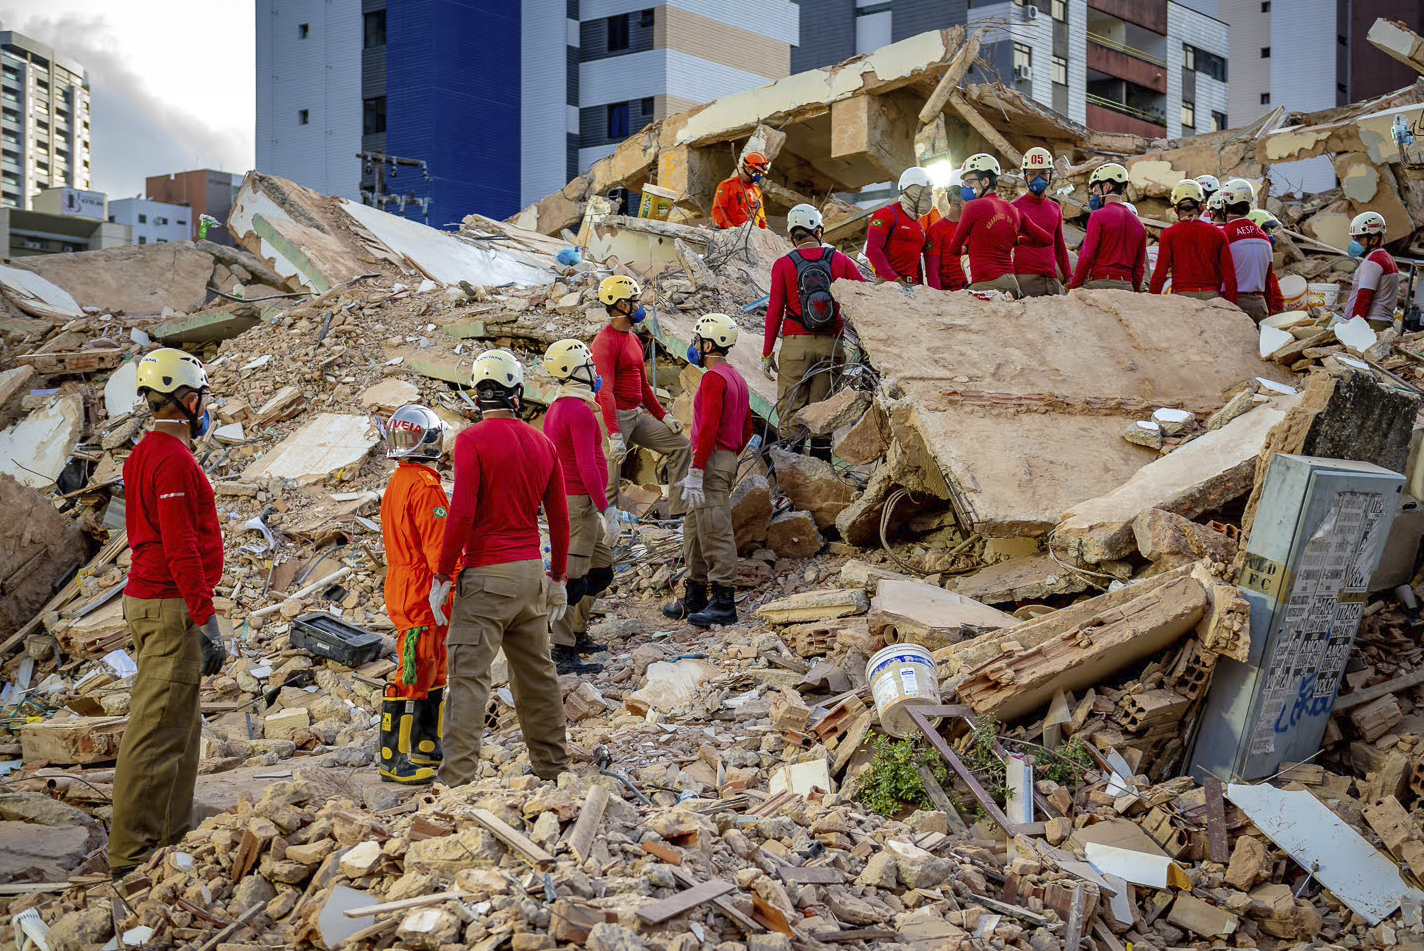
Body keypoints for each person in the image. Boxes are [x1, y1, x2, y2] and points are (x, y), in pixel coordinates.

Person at [109, 348, 226, 877]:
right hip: (168, 604)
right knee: (155, 727)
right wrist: (206, 618)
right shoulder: (172, 459)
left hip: (155, 600)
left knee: (180, 722)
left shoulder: (144, 453)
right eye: (199, 396)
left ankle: (171, 833)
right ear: (183, 398)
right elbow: (180, 545)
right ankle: (130, 856)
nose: (204, 406)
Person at [431, 350, 571, 784]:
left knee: (470, 678)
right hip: (530, 572)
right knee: (537, 676)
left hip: (487, 577)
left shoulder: (471, 440)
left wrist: (441, 574)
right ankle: (553, 768)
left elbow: (462, 514)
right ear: (516, 392)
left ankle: (457, 777)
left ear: (477, 393)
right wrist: (559, 578)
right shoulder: (541, 442)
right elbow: (561, 520)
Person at [377, 405, 451, 785]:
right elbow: (438, 544)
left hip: (408, 580)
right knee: (415, 666)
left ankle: (425, 744)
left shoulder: (400, 480)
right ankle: (394, 757)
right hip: (421, 586)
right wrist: (448, 579)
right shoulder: (424, 485)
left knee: (433, 666)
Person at [663, 314, 753, 627]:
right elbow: (748, 428)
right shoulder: (737, 378)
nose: (694, 346)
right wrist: (730, 455)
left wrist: (700, 467)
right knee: (695, 529)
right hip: (720, 458)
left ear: (709, 344)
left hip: (710, 459)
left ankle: (724, 603)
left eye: (697, 340)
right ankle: (695, 595)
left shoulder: (713, 379)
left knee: (714, 530)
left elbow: (711, 425)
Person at [542, 339, 621, 676]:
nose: (595, 371)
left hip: (575, 501)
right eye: (589, 366)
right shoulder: (577, 411)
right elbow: (588, 466)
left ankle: (575, 632)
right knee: (571, 580)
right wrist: (606, 510)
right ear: (573, 372)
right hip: (579, 503)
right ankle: (561, 649)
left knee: (599, 572)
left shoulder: (560, 407)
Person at [763, 203, 866, 459]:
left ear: (791, 236)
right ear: (819, 230)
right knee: (823, 414)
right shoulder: (840, 260)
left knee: (790, 415)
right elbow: (865, 297)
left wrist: (767, 353)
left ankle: (792, 482)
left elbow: (774, 311)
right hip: (831, 346)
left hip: (795, 345)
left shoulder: (783, 265)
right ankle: (822, 475)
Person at [590, 275, 692, 516]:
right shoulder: (604, 342)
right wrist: (614, 434)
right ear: (622, 305)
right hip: (613, 416)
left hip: (635, 414)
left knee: (681, 446)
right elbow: (605, 391)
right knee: (610, 481)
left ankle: (679, 513)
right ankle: (607, 531)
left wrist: (663, 416)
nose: (639, 306)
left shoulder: (633, 338)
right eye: (634, 301)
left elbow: (643, 385)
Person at [948, 153, 1052, 298]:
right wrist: (1018, 241)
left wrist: (966, 249)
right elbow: (1046, 240)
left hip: (987, 284)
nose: (966, 187)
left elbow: (954, 249)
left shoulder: (972, 207)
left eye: (969, 182)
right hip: (1013, 285)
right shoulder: (1013, 210)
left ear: (985, 181)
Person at [1148, 180, 1237, 303]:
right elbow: (1229, 276)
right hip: (1211, 296)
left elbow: (1160, 274)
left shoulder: (1169, 234)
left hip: (1182, 296)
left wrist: (1151, 302)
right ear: (1201, 207)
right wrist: (1232, 306)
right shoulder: (1218, 234)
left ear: (1175, 209)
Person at [1068, 163, 1147, 291]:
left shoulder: (1098, 216)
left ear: (1107, 186)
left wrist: (1074, 286)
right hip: (1127, 286)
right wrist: (1135, 292)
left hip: (1101, 283)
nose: (1094, 194)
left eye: (1096, 190)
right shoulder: (1139, 225)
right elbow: (1139, 268)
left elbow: (1086, 256)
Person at [1011, 147, 1072, 297]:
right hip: (1024, 280)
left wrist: (1069, 276)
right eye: (1032, 173)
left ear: (1050, 175)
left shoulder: (1055, 208)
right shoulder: (1013, 207)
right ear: (1025, 176)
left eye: (1043, 173)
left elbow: (1060, 247)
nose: (1038, 178)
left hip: (1051, 279)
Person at [1219, 179, 1281, 323]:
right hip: (1260, 305)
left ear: (1225, 205)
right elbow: (1268, 281)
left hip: (1232, 302)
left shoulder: (1225, 234)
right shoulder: (1264, 237)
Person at [865, 167, 931, 285]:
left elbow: (916, 260)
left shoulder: (918, 223)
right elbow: (872, 249)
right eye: (927, 194)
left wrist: (920, 286)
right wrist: (893, 278)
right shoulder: (886, 214)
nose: (930, 199)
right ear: (915, 191)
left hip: (912, 285)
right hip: (888, 284)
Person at [1344, 211, 1400, 325]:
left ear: (1374, 239)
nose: (1355, 243)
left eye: (1359, 239)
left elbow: (1364, 296)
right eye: (1354, 238)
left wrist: (1355, 325)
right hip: (1380, 321)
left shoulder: (1373, 262)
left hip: (1372, 322)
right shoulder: (1385, 257)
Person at [925, 184, 969, 293]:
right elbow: (932, 271)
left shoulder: (974, 226)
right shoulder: (936, 230)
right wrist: (938, 298)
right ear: (954, 202)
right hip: (950, 293)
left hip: (975, 290)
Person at [711, 151, 769, 230]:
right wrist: (732, 229)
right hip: (733, 234)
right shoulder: (726, 185)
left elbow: (761, 218)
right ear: (748, 168)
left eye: (761, 172)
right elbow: (717, 211)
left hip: (753, 235)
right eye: (757, 171)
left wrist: (764, 234)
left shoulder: (757, 190)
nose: (759, 175)